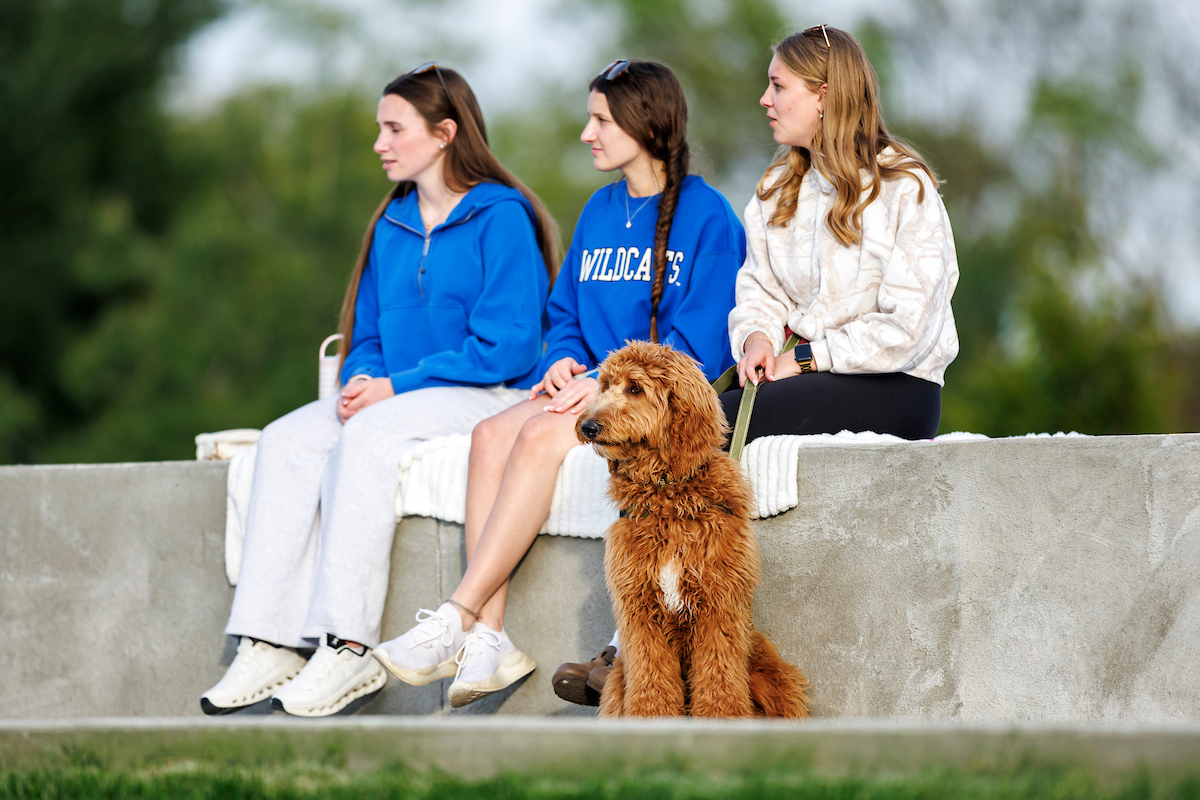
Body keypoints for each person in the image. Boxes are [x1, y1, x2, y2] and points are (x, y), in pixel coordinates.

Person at [553, 25, 960, 706]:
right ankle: (651, 632)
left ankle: (640, 648)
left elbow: (909, 327)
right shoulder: (777, 187)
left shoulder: (904, 186)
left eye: (778, 86)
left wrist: (808, 356)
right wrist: (757, 341)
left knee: (708, 431)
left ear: (824, 95)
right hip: (801, 371)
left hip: (894, 384)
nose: (765, 99)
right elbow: (757, 293)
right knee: (682, 426)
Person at [371, 59, 747, 709]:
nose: (586, 133)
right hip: (589, 387)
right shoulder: (600, 209)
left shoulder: (709, 215)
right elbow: (565, 311)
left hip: (643, 403)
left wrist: (602, 381)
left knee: (538, 438)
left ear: (645, 124)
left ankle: (457, 613)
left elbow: (698, 346)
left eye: (601, 120)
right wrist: (566, 360)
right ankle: (489, 638)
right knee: (489, 434)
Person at [200, 63, 559, 717]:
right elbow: (364, 332)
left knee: (366, 434)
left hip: (489, 391)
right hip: (399, 394)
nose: (379, 143)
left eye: (394, 129)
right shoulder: (393, 222)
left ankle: (348, 647)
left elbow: (508, 346)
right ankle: (269, 640)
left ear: (444, 133)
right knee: (285, 438)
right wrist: (361, 378)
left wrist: (396, 386)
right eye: (379, 129)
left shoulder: (502, 216)